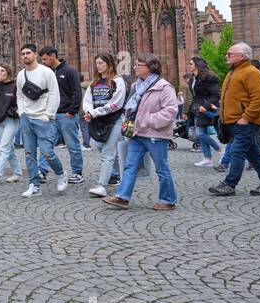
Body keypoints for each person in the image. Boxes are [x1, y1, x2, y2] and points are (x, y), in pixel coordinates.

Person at [103, 54, 180, 210]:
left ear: (150, 68)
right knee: (130, 166)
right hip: (137, 133)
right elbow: (131, 107)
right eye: (136, 64)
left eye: (139, 65)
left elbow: (171, 112)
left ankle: (168, 200)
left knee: (161, 168)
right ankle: (122, 197)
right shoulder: (136, 86)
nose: (135, 67)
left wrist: (147, 120)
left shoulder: (164, 87)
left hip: (155, 135)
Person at [209, 42, 260, 198]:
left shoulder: (252, 72)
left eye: (230, 53)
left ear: (242, 56)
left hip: (245, 122)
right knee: (253, 154)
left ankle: (229, 184)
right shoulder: (233, 72)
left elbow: (259, 99)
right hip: (235, 122)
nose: (227, 56)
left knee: (237, 152)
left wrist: (246, 118)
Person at [16, 44, 65, 197]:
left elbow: (54, 94)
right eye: (23, 53)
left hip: (43, 118)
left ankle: (61, 173)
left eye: (28, 53)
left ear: (35, 54)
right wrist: (22, 112)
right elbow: (20, 96)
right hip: (27, 118)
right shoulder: (20, 75)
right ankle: (34, 184)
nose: (25, 56)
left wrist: (48, 114)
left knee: (47, 152)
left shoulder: (46, 72)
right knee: (29, 154)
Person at [82, 53, 128, 197]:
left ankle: (102, 186)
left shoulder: (117, 81)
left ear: (109, 64)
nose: (98, 66)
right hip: (98, 121)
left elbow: (116, 103)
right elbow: (87, 100)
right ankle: (123, 174)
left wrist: (95, 112)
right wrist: (89, 112)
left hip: (114, 120)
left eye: (101, 63)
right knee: (102, 147)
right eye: (96, 63)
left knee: (107, 153)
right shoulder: (94, 83)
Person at [40, 46, 84, 182]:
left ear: (53, 56)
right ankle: (42, 170)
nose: (43, 62)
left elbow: (77, 92)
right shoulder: (46, 73)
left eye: (45, 59)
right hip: (51, 115)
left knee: (72, 145)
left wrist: (72, 111)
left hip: (66, 114)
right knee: (46, 144)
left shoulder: (69, 71)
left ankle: (77, 172)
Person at [187, 56, 223, 168]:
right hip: (197, 108)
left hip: (206, 108)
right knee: (202, 134)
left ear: (197, 65)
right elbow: (195, 96)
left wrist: (205, 107)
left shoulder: (208, 78)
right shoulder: (193, 78)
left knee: (200, 133)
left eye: (191, 63)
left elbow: (217, 94)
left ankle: (221, 150)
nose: (189, 65)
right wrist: (189, 111)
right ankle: (208, 158)